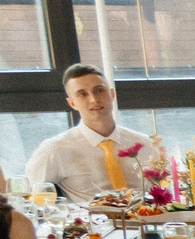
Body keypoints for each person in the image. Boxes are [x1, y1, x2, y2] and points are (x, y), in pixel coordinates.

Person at [22, 66, 157, 201]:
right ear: (72, 103)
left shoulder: (145, 144)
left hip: (146, 219)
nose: (94, 99)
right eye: (82, 94)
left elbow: (163, 196)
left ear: (112, 94)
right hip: (89, 220)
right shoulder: (54, 149)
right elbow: (32, 200)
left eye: (99, 90)